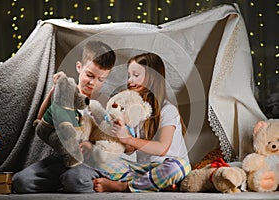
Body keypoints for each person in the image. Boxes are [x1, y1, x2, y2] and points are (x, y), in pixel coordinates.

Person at [12, 40, 116, 193]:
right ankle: (64, 183)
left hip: (89, 161)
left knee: (74, 178)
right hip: (62, 158)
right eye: (89, 75)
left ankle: (76, 182)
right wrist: (55, 89)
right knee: (21, 181)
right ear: (79, 67)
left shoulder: (104, 102)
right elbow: (41, 121)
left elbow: (109, 140)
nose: (93, 83)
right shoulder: (67, 92)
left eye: (101, 79)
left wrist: (92, 146)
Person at [92, 52, 191, 192]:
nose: (130, 81)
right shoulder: (132, 111)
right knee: (95, 156)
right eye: (129, 75)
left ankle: (125, 186)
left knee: (180, 167)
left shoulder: (168, 110)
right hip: (141, 169)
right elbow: (129, 150)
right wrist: (116, 132)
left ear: (153, 78)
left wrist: (128, 138)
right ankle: (153, 184)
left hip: (167, 166)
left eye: (136, 75)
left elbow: (162, 149)